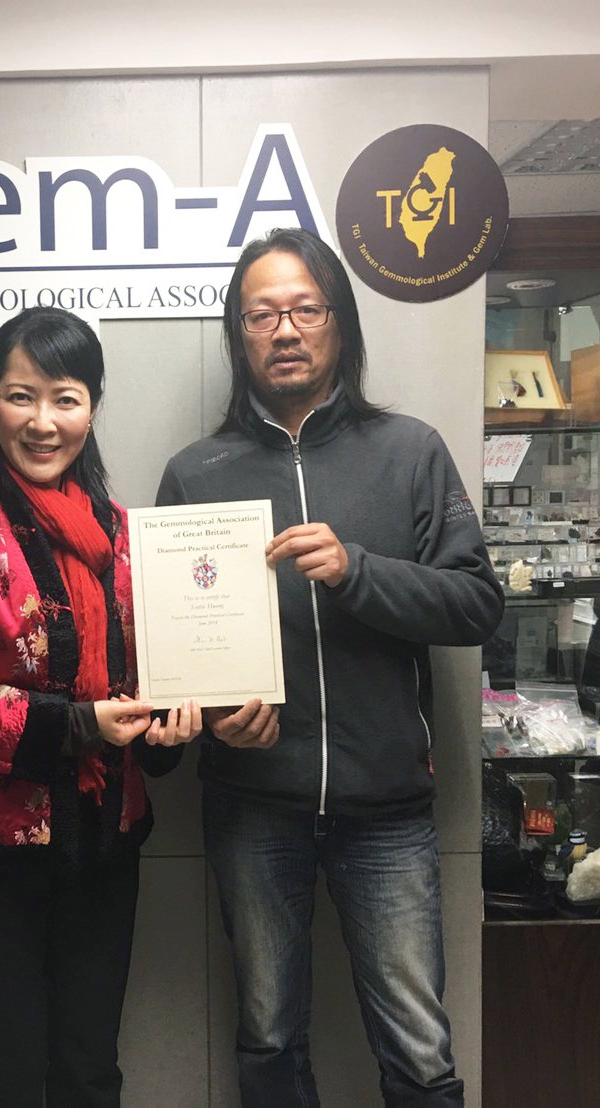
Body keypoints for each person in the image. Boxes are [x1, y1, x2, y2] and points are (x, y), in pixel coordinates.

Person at [156, 228, 504, 1107]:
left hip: (387, 809)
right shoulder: (195, 474)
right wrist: (217, 715)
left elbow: (475, 605)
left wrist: (358, 571)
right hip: (253, 802)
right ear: (238, 334)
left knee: (420, 1056)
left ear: (338, 324)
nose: (284, 329)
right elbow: (171, 656)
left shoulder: (411, 450)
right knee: (269, 1041)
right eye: (261, 314)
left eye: (305, 309)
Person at [0, 305, 198, 1108]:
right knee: (12, 1070)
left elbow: (156, 669)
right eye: (21, 396)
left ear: (93, 407)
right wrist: (73, 725)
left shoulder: (126, 536)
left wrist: (167, 727)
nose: (43, 421)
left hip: (103, 835)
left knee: (91, 1067)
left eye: (66, 398)